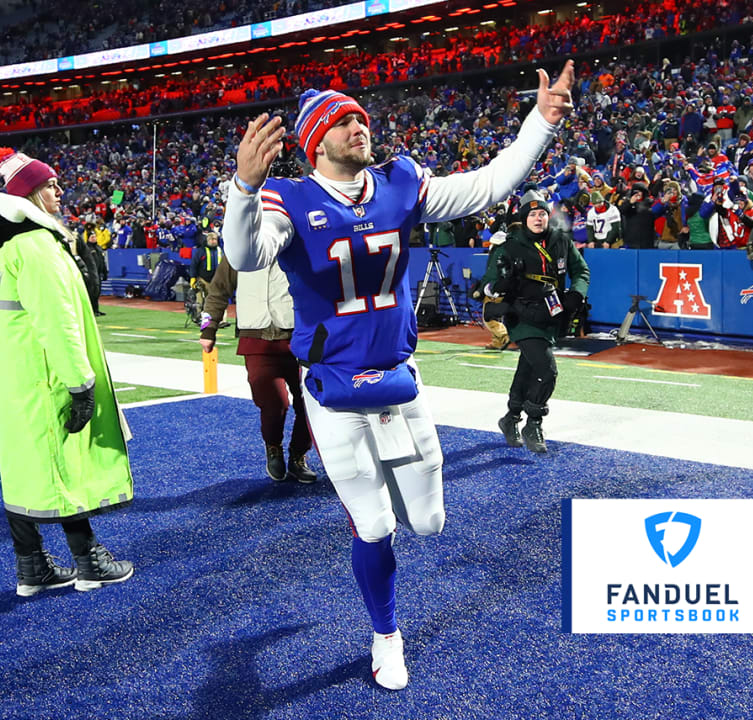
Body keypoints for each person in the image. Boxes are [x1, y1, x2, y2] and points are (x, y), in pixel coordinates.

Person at [223, 61, 576, 690]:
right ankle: (387, 635)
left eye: (360, 115)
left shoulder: (400, 182)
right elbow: (246, 256)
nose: (358, 124)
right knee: (376, 524)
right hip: (332, 388)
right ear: (314, 142)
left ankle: (377, 520)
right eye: (342, 120)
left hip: (400, 378)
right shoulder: (289, 199)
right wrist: (243, 189)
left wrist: (540, 125)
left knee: (429, 523)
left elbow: (488, 185)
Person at [0, 148, 134, 597]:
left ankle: (31, 566)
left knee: (23, 469)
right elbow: (58, 323)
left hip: (16, 375)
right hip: (47, 376)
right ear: (27, 192)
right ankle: (89, 562)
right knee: (62, 469)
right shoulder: (36, 245)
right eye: (49, 185)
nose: (59, 191)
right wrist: (80, 385)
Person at [483, 191, 590, 454]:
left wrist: (577, 292)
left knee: (528, 369)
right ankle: (534, 422)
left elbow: (581, 271)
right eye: (532, 214)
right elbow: (486, 284)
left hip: (553, 314)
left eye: (542, 213)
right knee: (547, 370)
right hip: (523, 315)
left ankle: (510, 419)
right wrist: (499, 285)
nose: (538, 218)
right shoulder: (508, 244)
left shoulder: (561, 240)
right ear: (524, 217)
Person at [197, 255, 317, 483]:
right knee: (274, 404)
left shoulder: (299, 244)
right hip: (256, 340)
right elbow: (217, 291)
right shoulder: (239, 250)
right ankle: (273, 447)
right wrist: (207, 329)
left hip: (302, 338)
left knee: (310, 403)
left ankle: (298, 455)